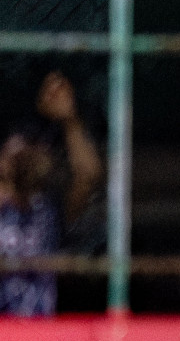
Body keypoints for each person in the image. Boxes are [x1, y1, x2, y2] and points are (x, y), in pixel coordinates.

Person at [0, 71, 103, 316]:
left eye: (29, 149)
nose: (23, 156)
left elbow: (89, 175)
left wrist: (69, 120)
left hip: (39, 332)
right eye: (14, 151)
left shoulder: (47, 209)